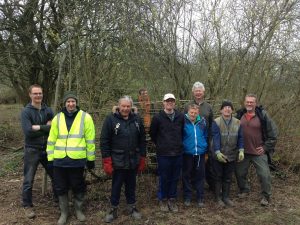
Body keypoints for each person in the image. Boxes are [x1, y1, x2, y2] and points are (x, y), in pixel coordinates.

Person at [46, 91, 96, 225]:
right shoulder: (57, 118)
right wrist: (50, 159)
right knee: (60, 187)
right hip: (60, 160)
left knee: (78, 186)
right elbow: (51, 139)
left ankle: (78, 210)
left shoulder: (86, 117)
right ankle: (64, 213)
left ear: (76, 103)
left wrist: (90, 159)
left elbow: (90, 140)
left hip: (77, 160)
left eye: (73, 101)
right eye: (68, 101)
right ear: (65, 103)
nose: (71, 103)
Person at [100, 96, 146, 223]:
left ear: (131, 107)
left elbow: (142, 140)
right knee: (116, 186)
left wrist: (142, 157)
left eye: (128, 106)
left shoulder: (137, 119)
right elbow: (104, 141)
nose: (125, 109)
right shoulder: (110, 119)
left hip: (133, 160)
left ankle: (132, 207)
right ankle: (113, 209)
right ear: (118, 106)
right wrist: (106, 160)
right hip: (117, 161)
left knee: (131, 185)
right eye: (123, 106)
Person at [20, 84, 56, 219]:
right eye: (35, 93)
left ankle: (59, 201)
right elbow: (28, 132)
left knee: (55, 175)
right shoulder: (26, 112)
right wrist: (45, 127)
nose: (38, 96)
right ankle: (27, 206)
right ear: (30, 95)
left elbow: (54, 127)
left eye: (40, 93)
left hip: (47, 149)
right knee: (29, 179)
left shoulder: (48, 110)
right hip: (32, 149)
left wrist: (38, 127)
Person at [235, 94, 278, 206]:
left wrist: (265, 147)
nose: (249, 104)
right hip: (242, 152)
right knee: (239, 173)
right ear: (244, 102)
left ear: (256, 103)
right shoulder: (239, 114)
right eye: (247, 102)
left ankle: (266, 196)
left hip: (258, 152)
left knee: (264, 175)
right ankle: (244, 190)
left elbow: (273, 134)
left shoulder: (263, 115)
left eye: (251, 102)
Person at [150, 93, 184, 213]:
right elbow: (152, 134)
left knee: (175, 177)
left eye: (172, 101)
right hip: (163, 153)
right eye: (167, 101)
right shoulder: (157, 118)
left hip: (178, 153)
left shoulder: (180, 116)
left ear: (174, 103)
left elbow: (183, 132)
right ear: (163, 102)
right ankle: (162, 199)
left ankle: (172, 199)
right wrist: (161, 144)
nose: (169, 103)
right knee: (164, 177)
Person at [211, 100, 244, 207]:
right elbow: (215, 138)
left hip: (231, 154)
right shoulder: (216, 122)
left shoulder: (238, 122)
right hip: (219, 155)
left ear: (232, 110)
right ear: (221, 110)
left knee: (228, 177)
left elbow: (240, 137)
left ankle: (226, 197)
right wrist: (217, 152)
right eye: (225, 107)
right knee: (218, 176)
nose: (227, 109)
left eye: (229, 107)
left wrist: (241, 149)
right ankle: (218, 198)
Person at [185, 82, 215, 191]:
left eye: (200, 90)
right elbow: (183, 122)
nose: (198, 93)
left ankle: (211, 187)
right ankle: (191, 188)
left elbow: (212, 124)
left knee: (207, 165)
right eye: (196, 90)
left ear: (203, 92)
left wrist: (211, 139)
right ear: (193, 92)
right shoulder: (187, 106)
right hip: (191, 142)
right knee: (191, 166)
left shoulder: (208, 107)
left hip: (205, 140)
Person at [182, 104, 208, 208]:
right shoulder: (183, 121)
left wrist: (204, 145)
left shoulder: (202, 121)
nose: (193, 114)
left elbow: (205, 135)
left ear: (198, 112)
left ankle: (200, 197)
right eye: (191, 112)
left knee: (200, 176)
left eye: (195, 112)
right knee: (186, 175)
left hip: (200, 153)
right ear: (188, 112)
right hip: (187, 153)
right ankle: (187, 196)